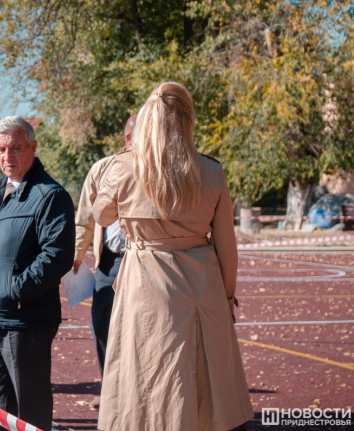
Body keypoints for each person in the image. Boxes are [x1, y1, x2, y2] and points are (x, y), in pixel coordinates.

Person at [93, 82, 253, 431]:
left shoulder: (123, 167)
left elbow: (101, 215)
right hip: (202, 284)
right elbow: (227, 247)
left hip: (144, 280)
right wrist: (227, 297)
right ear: (188, 120)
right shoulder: (211, 171)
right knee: (199, 377)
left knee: (142, 372)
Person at [0, 116, 75, 431]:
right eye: (1, 149)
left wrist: (13, 290)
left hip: (25, 321)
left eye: (16, 148)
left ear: (33, 147)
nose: (7, 156)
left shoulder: (50, 196)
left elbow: (57, 257)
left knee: (28, 412)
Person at [72, 114, 136, 411]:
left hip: (144, 261)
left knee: (140, 329)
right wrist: (76, 254)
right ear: (128, 138)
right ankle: (110, 389)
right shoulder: (102, 168)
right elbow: (85, 217)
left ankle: (136, 393)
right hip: (109, 263)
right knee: (101, 325)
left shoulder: (158, 167)